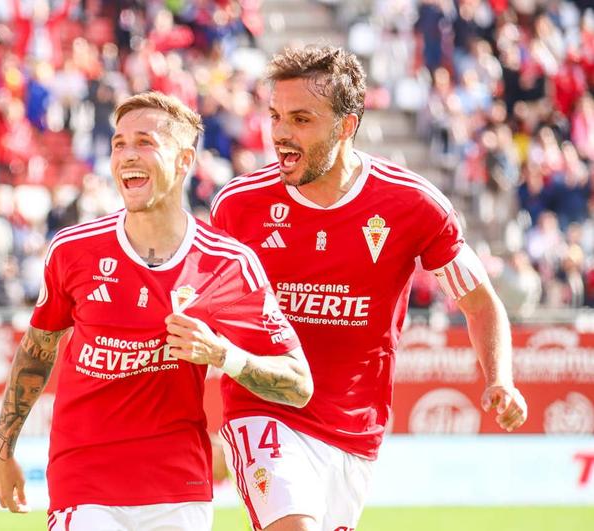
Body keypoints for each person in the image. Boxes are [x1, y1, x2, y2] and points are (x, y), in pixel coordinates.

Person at [210, 45, 529, 531]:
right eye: (275, 116)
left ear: (346, 125)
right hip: (264, 410)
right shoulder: (238, 206)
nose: (280, 134)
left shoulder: (414, 206)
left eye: (301, 119)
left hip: (355, 430)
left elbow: (480, 303)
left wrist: (499, 379)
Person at [0, 91, 313, 531]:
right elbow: (37, 350)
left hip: (178, 492)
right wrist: (2, 448)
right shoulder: (73, 250)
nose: (126, 156)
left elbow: (298, 385)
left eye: (143, 142)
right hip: (85, 489)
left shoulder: (228, 264)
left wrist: (222, 355)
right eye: (118, 144)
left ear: (183, 161)